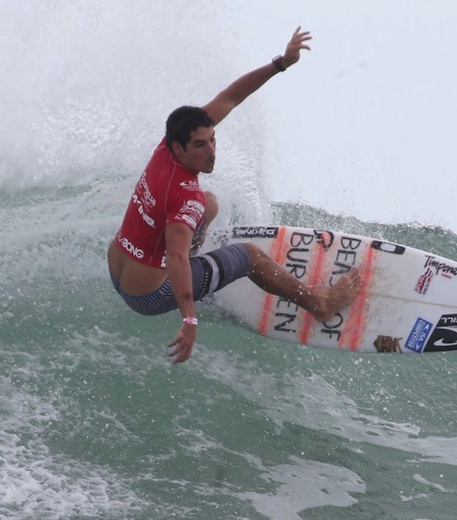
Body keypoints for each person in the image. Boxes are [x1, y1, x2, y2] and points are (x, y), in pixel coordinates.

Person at [107, 27, 362, 364]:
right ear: (180, 148)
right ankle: (320, 304)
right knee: (250, 256)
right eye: (201, 145)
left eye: (213, 139)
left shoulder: (165, 149)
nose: (211, 151)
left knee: (210, 204)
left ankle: (203, 265)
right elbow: (176, 256)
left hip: (118, 269)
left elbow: (231, 97)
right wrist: (189, 317)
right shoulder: (185, 197)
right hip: (150, 295)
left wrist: (280, 64)